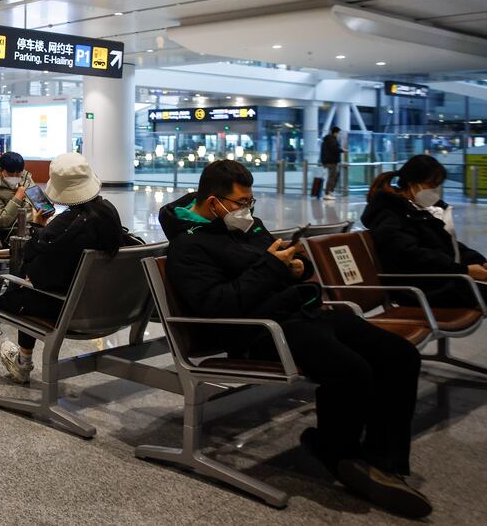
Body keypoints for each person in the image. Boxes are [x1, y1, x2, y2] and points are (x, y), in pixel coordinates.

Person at [158, 159, 429, 518]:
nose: (247, 211)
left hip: (299, 312)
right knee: (351, 370)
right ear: (213, 204)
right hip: (257, 331)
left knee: (400, 355)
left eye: (249, 202)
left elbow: (280, 256)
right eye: (240, 203)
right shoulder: (186, 248)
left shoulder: (246, 225)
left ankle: (384, 460)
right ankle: (338, 452)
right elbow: (217, 304)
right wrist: (272, 266)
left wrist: (298, 264)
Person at [0, 153, 123, 381]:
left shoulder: (65, 226)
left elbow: (36, 272)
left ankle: (7, 345)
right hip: (104, 306)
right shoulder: (108, 213)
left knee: (20, 291)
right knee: (26, 289)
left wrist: (36, 225)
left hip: (69, 310)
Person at [362, 154, 487, 304]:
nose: (435, 191)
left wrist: (479, 261)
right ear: (412, 183)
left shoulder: (417, 210)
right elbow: (409, 254)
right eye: (431, 185)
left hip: (438, 280)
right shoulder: (390, 213)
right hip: (419, 288)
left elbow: (446, 244)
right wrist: (462, 270)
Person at [0, 151, 36, 242]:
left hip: (35, 227)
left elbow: (38, 202)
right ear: (1, 171)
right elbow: (2, 222)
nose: (15, 177)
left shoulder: (26, 179)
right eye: (10, 174)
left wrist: (44, 208)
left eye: (18, 174)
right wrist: (17, 198)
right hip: (15, 235)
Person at [320, 126, 343, 201]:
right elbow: (334, 149)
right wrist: (342, 150)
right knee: (332, 177)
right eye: (338, 133)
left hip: (328, 161)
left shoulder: (327, 139)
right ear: (335, 132)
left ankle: (330, 192)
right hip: (331, 161)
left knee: (333, 176)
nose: (339, 134)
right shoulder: (332, 139)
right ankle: (327, 193)